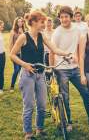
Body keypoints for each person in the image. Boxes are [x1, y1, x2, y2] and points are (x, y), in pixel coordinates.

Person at [10, 11, 71, 139]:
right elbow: (12, 54)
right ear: (33, 22)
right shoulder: (24, 37)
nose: (44, 24)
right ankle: (28, 132)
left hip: (40, 74)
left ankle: (39, 128)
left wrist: (66, 53)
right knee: (29, 105)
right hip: (27, 75)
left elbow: (54, 49)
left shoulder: (42, 36)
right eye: (41, 22)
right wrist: (25, 65)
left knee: (42, 105)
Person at [50, 6, 89, 131]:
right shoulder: (57, 32)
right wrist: (52, 69)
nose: (64, 19)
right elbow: (52, 52)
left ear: (71, 17)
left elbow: (79, 48)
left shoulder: (77, 30)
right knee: (65, 97)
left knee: (86, 92)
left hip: (75, 68)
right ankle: (67, 122)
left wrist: (79, 63)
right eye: (61, 17)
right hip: (61, 69)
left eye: (66, 17)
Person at [9, 17, 25, 92]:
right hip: (15, 54)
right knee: (16, 70)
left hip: (23, 54)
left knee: (22, 70)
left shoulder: (25, 31)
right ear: (16, 23)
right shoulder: (13, 31)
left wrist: (22, 33)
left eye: (21, 22)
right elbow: (10, 43)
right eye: (18, 22)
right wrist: (11, 54)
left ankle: (21, 85)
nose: (20, 23)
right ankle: (12, 86)